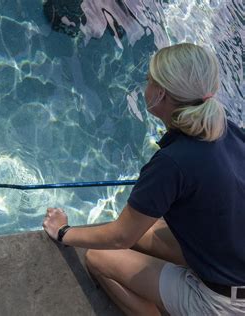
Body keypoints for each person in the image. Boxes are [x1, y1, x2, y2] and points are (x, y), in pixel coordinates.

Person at [42, 43, 245, 315]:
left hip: (223, 302)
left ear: (160, 94)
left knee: (98, 258)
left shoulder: (171, 163)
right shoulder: (228, 129)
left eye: (150, 80)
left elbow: (119, 237)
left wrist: (63, 232)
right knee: (148, 231)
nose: (145, 86)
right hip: (233, 267)